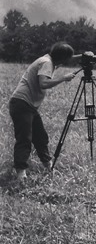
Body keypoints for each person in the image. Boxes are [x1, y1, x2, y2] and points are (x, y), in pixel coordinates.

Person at [8, 42, 81, 180]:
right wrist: (63, 78)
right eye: (66, 58)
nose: (67, 61)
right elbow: (43, 83)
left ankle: (48, 166)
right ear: (61, 57)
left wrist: (83, 56)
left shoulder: (48, 59)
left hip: (28, 105)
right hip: (22, 103)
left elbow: (67, 57)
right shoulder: (47, 63)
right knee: (24, 139)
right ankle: (21, 174)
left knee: (40, 137)